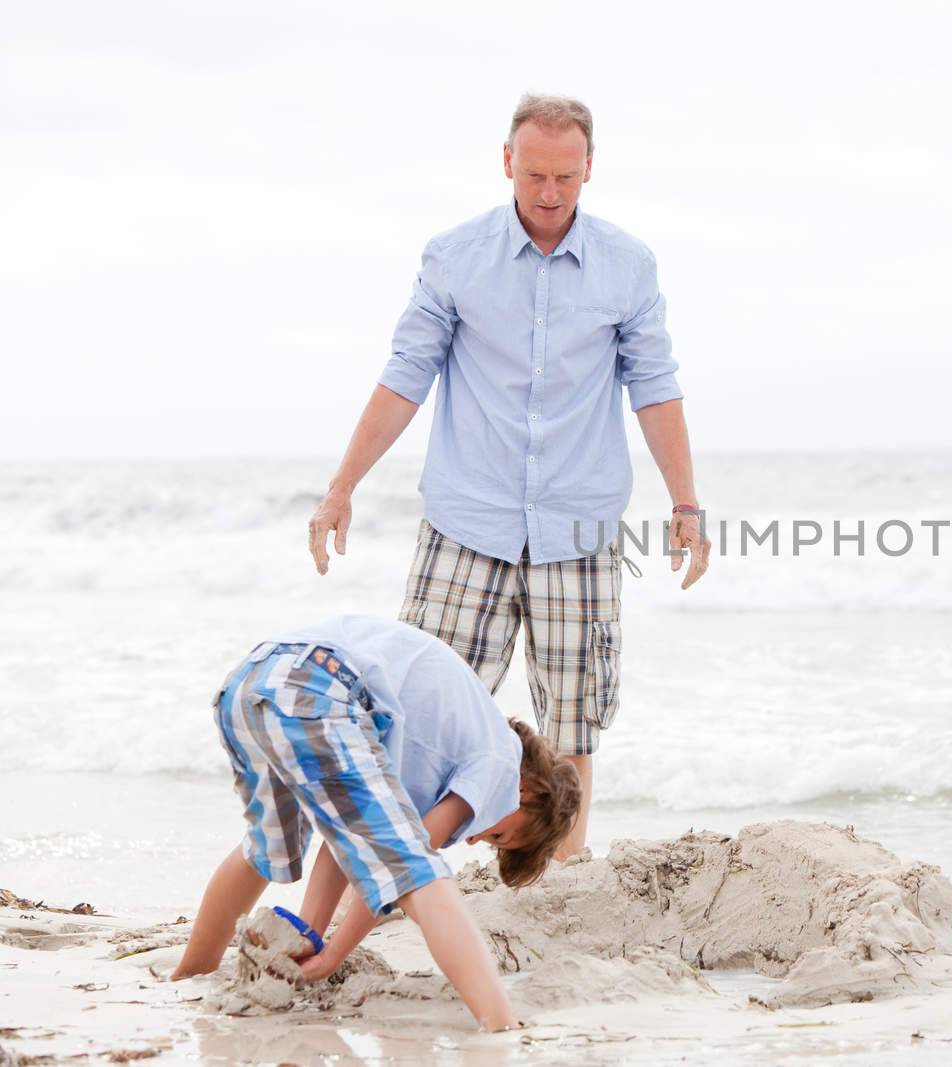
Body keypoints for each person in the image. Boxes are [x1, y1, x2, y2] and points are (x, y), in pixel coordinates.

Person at [306, 93, 709, 861]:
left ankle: (560, 879)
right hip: (466, 521)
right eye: (534, 175)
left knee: (574, 719)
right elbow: (405, 377)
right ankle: (399, 871)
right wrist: (342, 485)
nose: (549, 193)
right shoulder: (455, 257)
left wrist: (685, 502)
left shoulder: (628, 265)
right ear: (506, 163)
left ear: (589, 169)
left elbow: (655, 386)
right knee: (415, 710)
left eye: (565, 176)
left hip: (579, 528)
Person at [167, 615, 582, 1031]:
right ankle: (500, 1023)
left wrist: (310, 934)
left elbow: (344, 841)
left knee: (266, 849)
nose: (476, 840)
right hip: (320, 688)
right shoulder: (500, 764)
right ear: (529, 794)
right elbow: (400, 870)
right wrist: (333, 955)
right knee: (418, 871)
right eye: (499, 835)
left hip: (251, 683)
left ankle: (189, 974)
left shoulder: (452, 739)